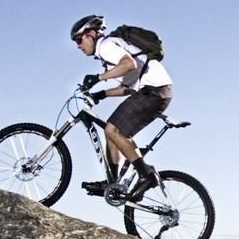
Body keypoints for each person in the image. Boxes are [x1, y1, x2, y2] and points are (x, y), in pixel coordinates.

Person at [69, 14, 173, 199]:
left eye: (79, 39)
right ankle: (113, 183)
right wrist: (100, 94)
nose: (78, 45)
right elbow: (127, 88)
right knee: (112, 133)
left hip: (154, 91)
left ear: (92, 34)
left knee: (112, 130)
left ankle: (146, 175)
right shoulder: (111, 50)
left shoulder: (106, 46)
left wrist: (98, 78)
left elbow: (128, 64)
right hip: (155, 91)